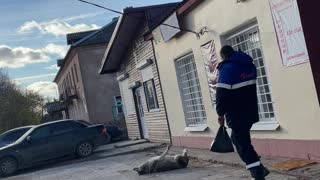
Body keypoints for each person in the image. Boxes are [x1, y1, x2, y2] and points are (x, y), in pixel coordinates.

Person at [216, 45, 270, 180]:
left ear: (223, 56)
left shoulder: (227, 68)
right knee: (244, 141)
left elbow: (222, 94)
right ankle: (258, 170)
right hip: (251, 111)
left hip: (237, 113)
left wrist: (220, 113)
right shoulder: (249, 66)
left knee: (239, 141)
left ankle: (258, 172)